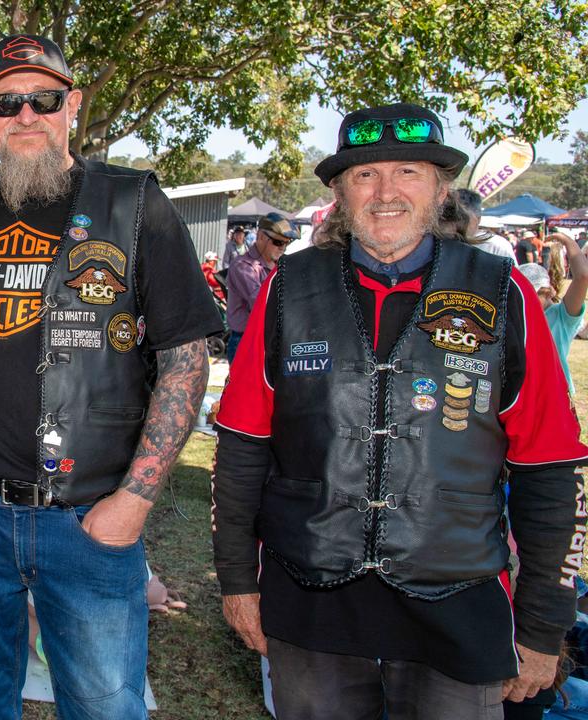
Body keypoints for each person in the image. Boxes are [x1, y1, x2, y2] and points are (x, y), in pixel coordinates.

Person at [213, 102, 588, 719]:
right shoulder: (291, 287)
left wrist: (546, 620)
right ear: (339, 192)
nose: (385, 192)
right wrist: (236, 579)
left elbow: (549, 466)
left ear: (441, 188)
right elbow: (242, 444)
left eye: (408, 171)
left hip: (458, 601)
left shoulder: (503, 289)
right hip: (311, 596)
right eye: (364, 175)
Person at [0, 34, 223, 719]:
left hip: (89, 515)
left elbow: (186, 358)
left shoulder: (134, 203)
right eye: (6, 102)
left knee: (103, 706)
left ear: (72, 106)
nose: (25, 115)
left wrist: (135, 502)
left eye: (44, 99)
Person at [518, 232, 588, 394]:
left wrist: (566, 240)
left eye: (533, 296)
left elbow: (583, 276)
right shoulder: (520, 315)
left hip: (557, 393)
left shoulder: (563, 318)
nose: (526, 302)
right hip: (527, 395)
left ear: (549, 292)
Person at [225, 212, 294, 363]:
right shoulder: (242, 266)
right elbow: (261, 303)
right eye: (278, 242)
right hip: (245, 340)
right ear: (261, 237)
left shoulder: (280, 266)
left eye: (287, 243)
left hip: (271, 339)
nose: (283, 247)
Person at [455, 188, 517, 261]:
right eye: (450, 217)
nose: (456, 224)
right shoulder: (441, 242)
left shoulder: (497, 245)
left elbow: (512, 271)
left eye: (464, 219)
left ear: (478, 219)